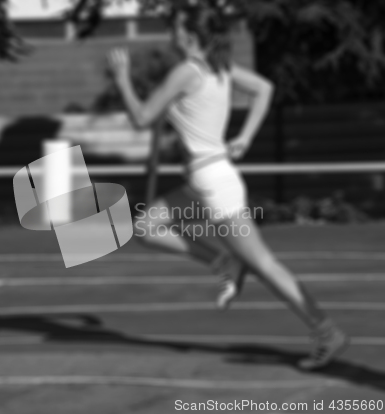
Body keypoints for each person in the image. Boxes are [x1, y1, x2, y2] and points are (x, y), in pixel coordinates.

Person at [107, 3, 348, 370]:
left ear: (188, 35)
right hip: (205, 182)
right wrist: (245, 138)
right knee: (144, 227)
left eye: (175, 26)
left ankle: (325, 331)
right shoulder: (218, 68)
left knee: (264, 263)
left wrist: (122, 78)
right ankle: (222, 259)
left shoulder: (187, 71)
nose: (170, 32)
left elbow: (141, 118)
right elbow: (263, 89)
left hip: (214, 186)